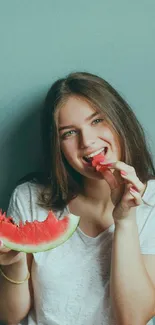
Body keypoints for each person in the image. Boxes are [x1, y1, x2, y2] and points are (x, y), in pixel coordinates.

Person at [0, 72, 155, 325]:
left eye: (97, 121)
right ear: (57, 145)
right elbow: (10, 315)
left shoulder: (153, 203)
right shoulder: (29, 197)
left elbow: (133, 319)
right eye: (69, 133)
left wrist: (125, 220)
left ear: (120, 121)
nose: (88, 142)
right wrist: (14, 262)